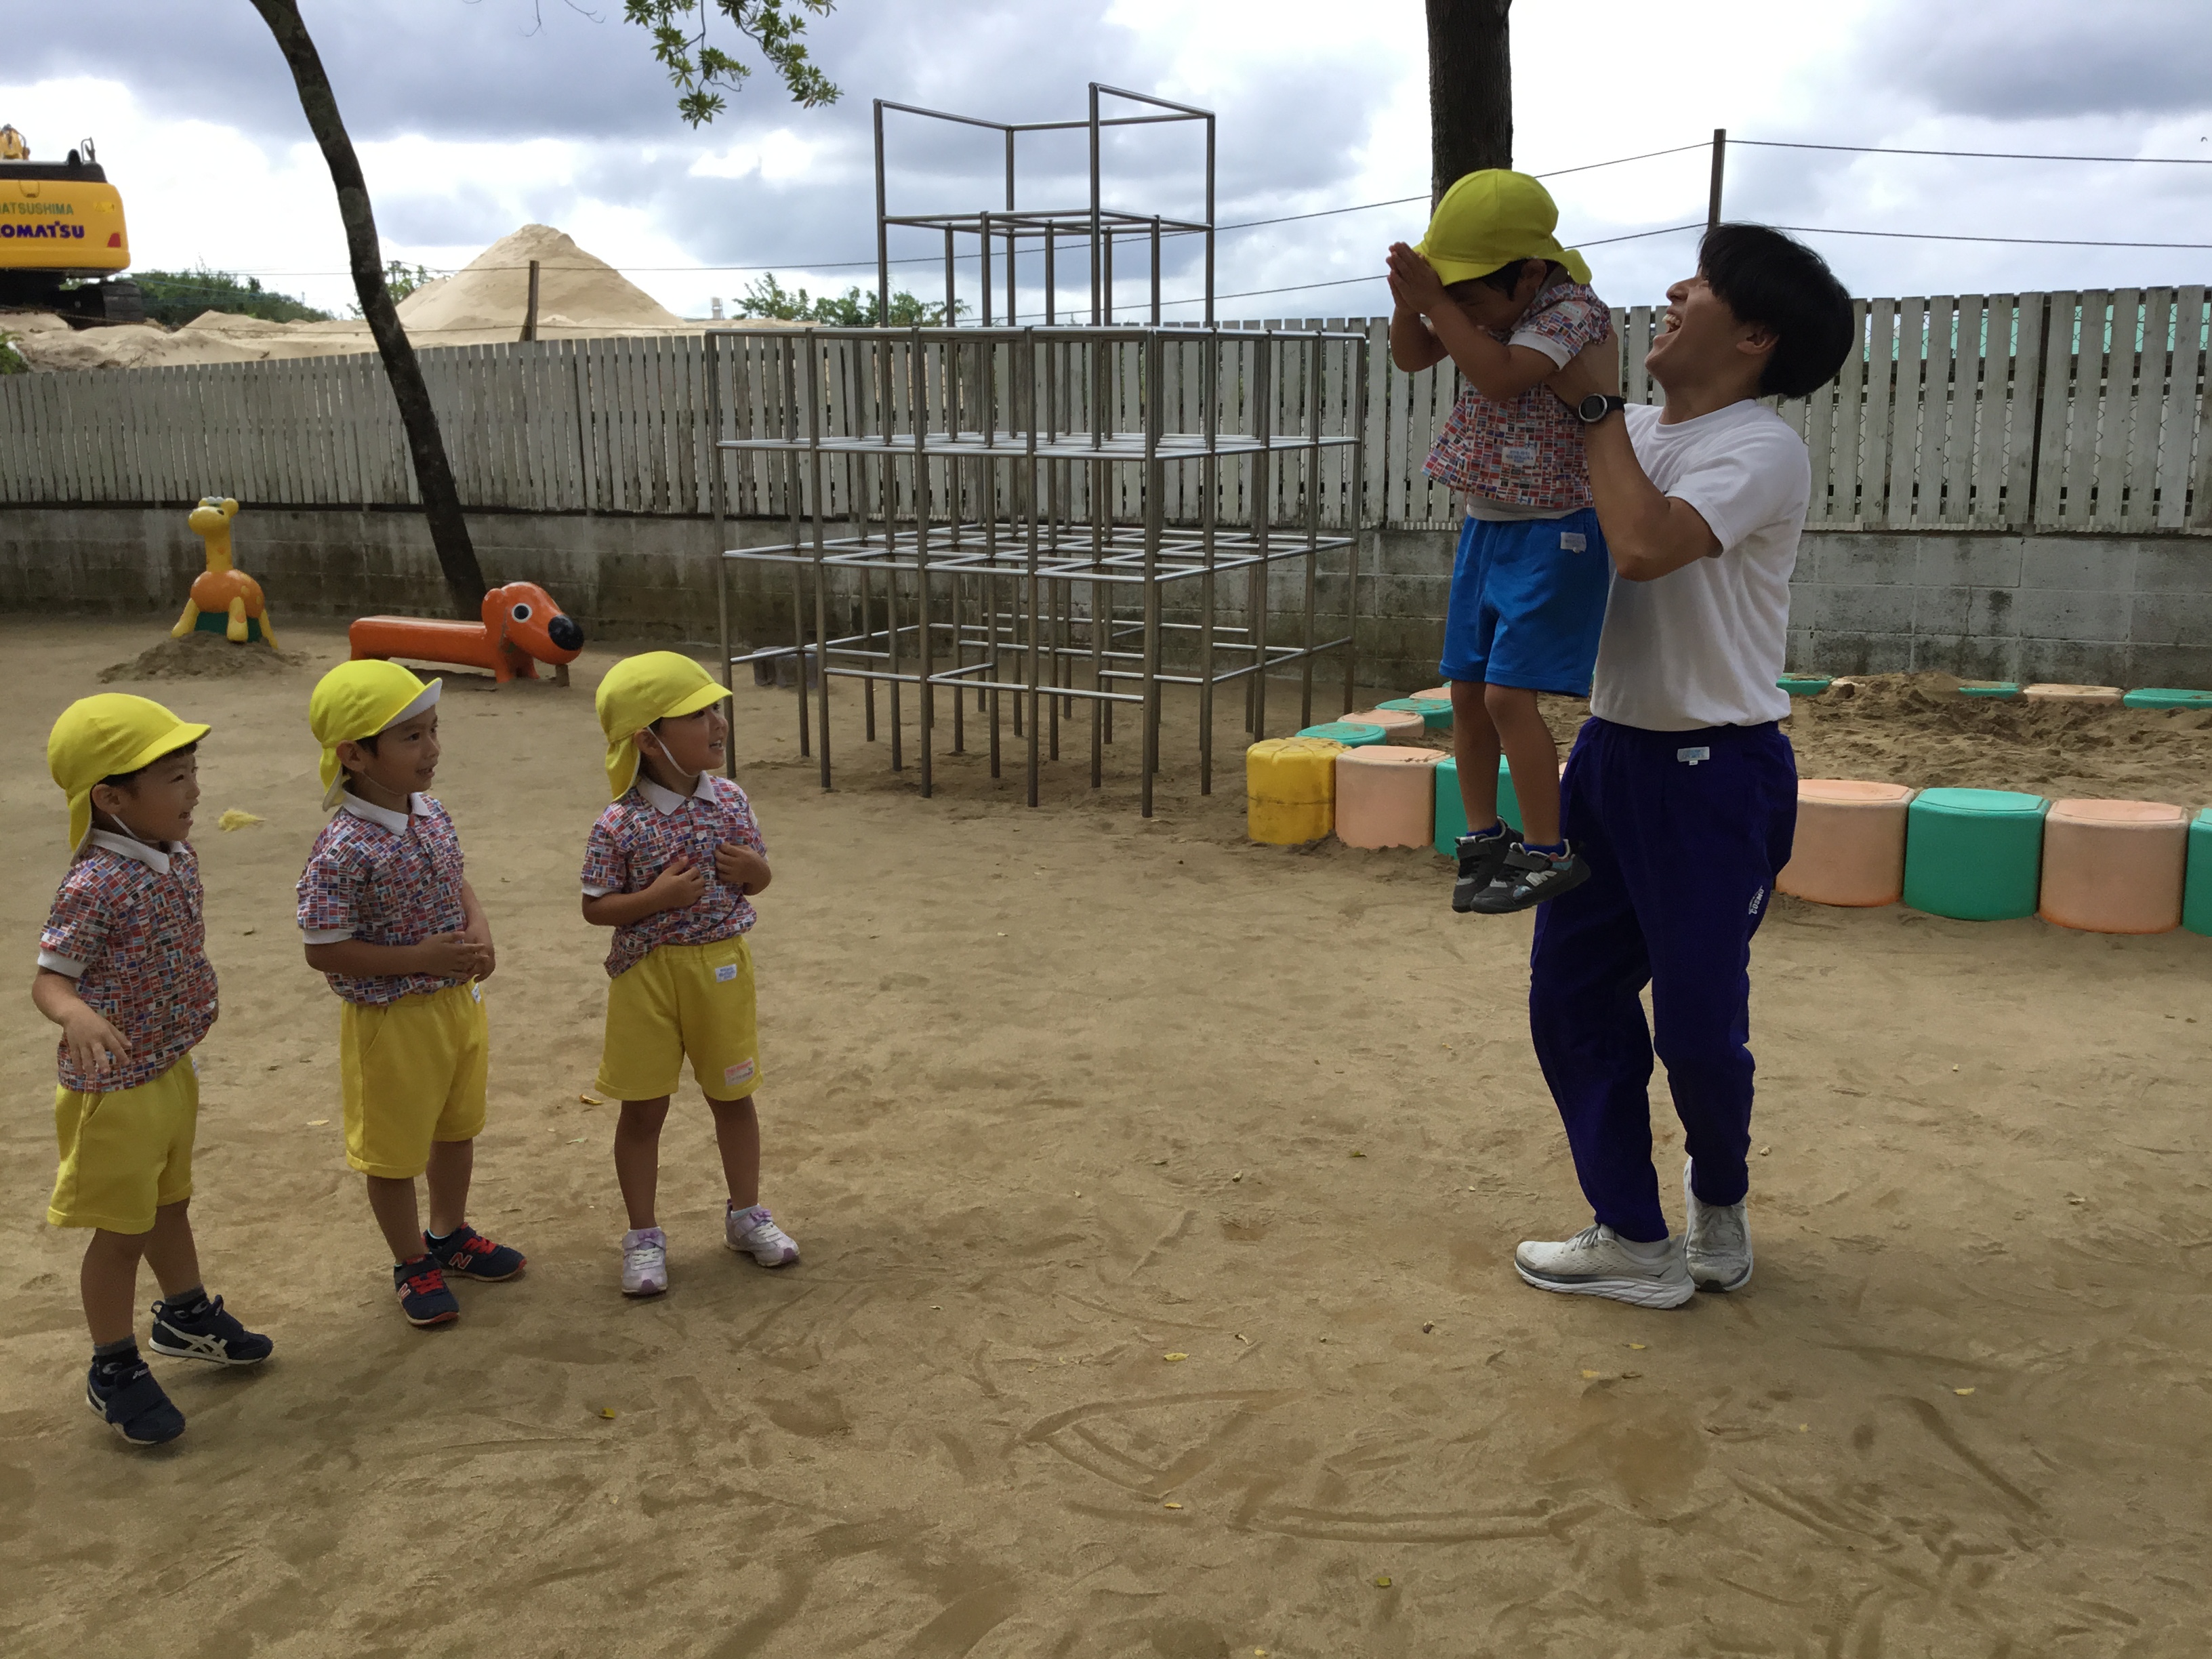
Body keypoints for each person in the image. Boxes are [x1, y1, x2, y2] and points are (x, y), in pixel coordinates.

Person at [1509, 224, 1856, 1307]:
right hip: (1610, 755)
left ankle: (1720, 1195)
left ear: (1756, 336)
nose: (1672, 290)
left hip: (1717, 775)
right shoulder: (1631, 429)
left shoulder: (1760, 449)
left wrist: (1595, 411)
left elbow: (1648, 545)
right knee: (1569, 997)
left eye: (1701, 285)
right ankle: (1632, 1236)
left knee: (1699, 1028)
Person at [37, 695, 272, 1446]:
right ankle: (113, 1366)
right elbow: (50, 979)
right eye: (175, 777)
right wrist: (74, 1015)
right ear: (111, 798)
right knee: (120, 1232)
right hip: (115, 1091)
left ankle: (185, 1314)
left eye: (192, 771)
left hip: (170, 1068)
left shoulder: (176, 855)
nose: (195, 790)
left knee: (171, 1203)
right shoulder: (94, 883)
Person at [1385, 169, 1616, 915]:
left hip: (1556, 528)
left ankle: (1549, 852)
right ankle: (1484, 836)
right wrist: (1411, 306)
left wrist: (1437, 306)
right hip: (1487, 523)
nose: (1461, 317)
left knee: (1509, 695)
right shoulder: (1483, 302)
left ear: (1529, 273)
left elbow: (1502, 377)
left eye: (1471, 301)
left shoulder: (1573, 312)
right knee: (1467, 691)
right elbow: (1413, 356)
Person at [298, 661, 525, 1328]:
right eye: (411, 737)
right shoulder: (343, 847)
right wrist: (417, 959)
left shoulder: (431, 813)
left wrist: (481, 932)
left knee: (456, 1128)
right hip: (390, 1021)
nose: (432, 749)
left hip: (457, 1007)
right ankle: (410, 1260)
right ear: (354, 755)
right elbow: (323, 947)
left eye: (432, 731)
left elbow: (458, 880)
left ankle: (448, 1233)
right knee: (394, 1152)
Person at [581, 652, 797, 1298]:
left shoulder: (731, 800)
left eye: (716, 710)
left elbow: (760, 876)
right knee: (643, 1107)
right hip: (646, 977)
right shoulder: (619, 822)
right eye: (698, 714)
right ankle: (643, 1235)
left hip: (722, 967)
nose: (718, 723)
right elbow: (596, 907)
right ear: (649, 740)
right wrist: (655, 899)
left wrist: (755, 873)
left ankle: (745, 1214)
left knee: (733, 1095)